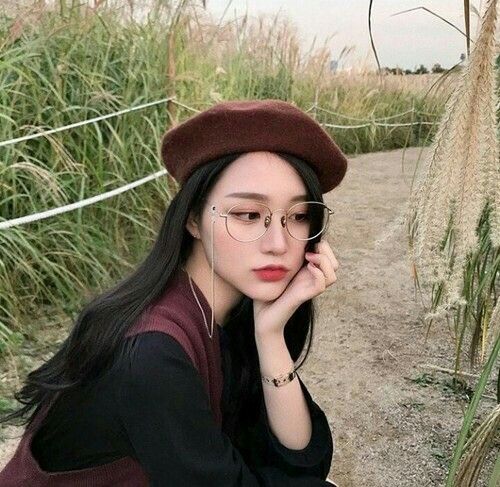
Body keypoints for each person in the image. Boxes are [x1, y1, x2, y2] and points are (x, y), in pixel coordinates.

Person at [0, 99, 347, 486]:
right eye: (248, 215)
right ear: (193, 218)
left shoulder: (226, 315)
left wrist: (270, 335)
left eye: (298, 216)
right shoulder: (151, 353)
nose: (278, 244)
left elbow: (301, 462)